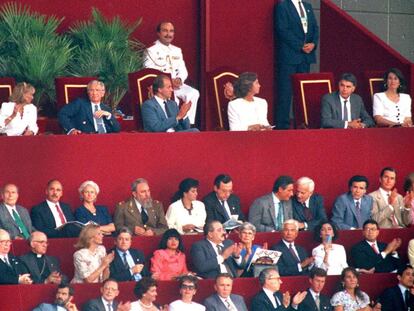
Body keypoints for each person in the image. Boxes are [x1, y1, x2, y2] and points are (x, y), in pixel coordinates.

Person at [274, 0, 319, 130]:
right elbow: (282, 30)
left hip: (305, 58)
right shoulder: (283, 6)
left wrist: (313, 44)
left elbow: (315, 28)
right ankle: (282, 126)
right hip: (289, 57)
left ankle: (301, 124)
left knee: (302, 93)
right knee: (285, 92)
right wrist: (300, 46)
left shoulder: (307, 6)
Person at [144, 21, 199, 125]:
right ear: (158, 33)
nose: (168, 34)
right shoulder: (151, 50)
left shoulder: (177, 50)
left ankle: (188, 124)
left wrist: (179, 79)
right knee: (174, 101)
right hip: (162, 86)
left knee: (193, 93)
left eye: (171, 31)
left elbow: (183, 69)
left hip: (176, 85)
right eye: (165, 31)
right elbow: (149, 71)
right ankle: (173, 124)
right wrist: (169, 82)